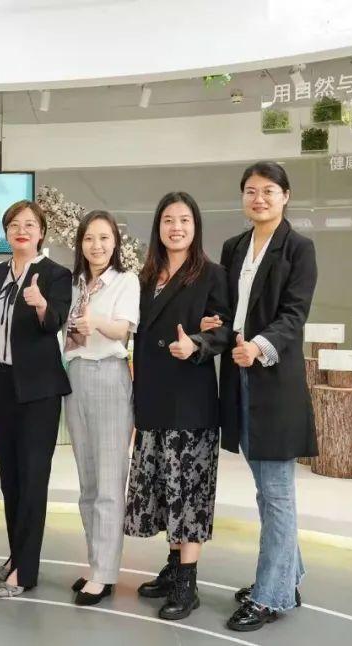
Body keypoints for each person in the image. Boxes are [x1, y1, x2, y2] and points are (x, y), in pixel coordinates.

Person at [211, 161, 318, 632]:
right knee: (266, 490)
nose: (259, 199)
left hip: (275, 383)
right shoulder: (234, 247)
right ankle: (286, 576)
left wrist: (258, 346)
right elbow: (225, 310)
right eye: (251, 191)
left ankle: (271, 595)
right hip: (238, 379)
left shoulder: (299, 248)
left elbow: (294, 315)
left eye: (269, 191)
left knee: (275, 493)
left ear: (285, 196)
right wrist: (212, 325)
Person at [123, 192, 231, 621]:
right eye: (168, 220)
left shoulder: (212, 274)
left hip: (191, 400)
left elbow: (224, 331)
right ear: (158, 227)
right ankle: (172, 567)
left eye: (184, 220)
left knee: (190, 491)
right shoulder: (145, 277)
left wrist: (198, 343)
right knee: (165, 488)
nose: (176, 227)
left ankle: (188, 581)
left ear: (196, 226)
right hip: (152, 397)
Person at [0, 200, 72, 598]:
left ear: (41, 232)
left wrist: (42, 305)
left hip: (38, 391)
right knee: (9, 478)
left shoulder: (56, 274)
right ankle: (17, 555)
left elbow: (55, 322)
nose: (21, 230)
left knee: (32, 478)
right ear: (6, 232)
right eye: (14, 224)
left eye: (29, 224)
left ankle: (25, 571)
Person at [62, 210, 140, 606]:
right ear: (80, 243)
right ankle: (96, 564)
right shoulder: (75, 283)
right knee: (88, 483)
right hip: (75, 377)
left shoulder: (126, 281)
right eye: (89, 238)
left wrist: (95, 321)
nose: (97, 245)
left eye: (104, 238)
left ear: (115, 243)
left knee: (110, 482)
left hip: (109, 374)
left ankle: (105, 574)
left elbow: (123, 330)